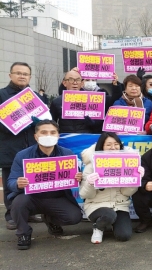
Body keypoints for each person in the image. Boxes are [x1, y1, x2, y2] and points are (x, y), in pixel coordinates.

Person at [7, 120, 83, 250]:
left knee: (74, 217)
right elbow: (11, 181)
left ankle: (50, 220)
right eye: (44, 132)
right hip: (30, 197)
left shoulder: (67, 154)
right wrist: (18, 183)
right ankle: (23, 233)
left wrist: (79, 176)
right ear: (36, 136)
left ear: (58, 135)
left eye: (53, 132)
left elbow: (75, 175)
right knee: (18, 204)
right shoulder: (23, 155)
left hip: (56, 197)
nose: (48, 135)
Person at [1, 62, 49, 230]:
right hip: (10, 149)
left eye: (25, 74)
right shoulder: (2, 96)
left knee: (32, 181)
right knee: (11, 183)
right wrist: (14, 122)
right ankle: (11, 215)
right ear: (10, 75)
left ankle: (29, 212)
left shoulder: (37, 97)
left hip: (34, 148)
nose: (22, 76)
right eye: (18, 73)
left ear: (29, 77)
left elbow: (46, 121)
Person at [79, 132, 142, 243]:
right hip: (96, 206)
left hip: (120, 205)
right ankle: (98, 227)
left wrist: (136, 179)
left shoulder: (128, 164)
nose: (113, 147)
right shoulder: (90, 166)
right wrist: (90, 183)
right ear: (101, 146)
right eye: (108, 145)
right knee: (109, 215)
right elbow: (84, 195)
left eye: (116, 144)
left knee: (124, 236)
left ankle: (111, 223)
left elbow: (127, 193)